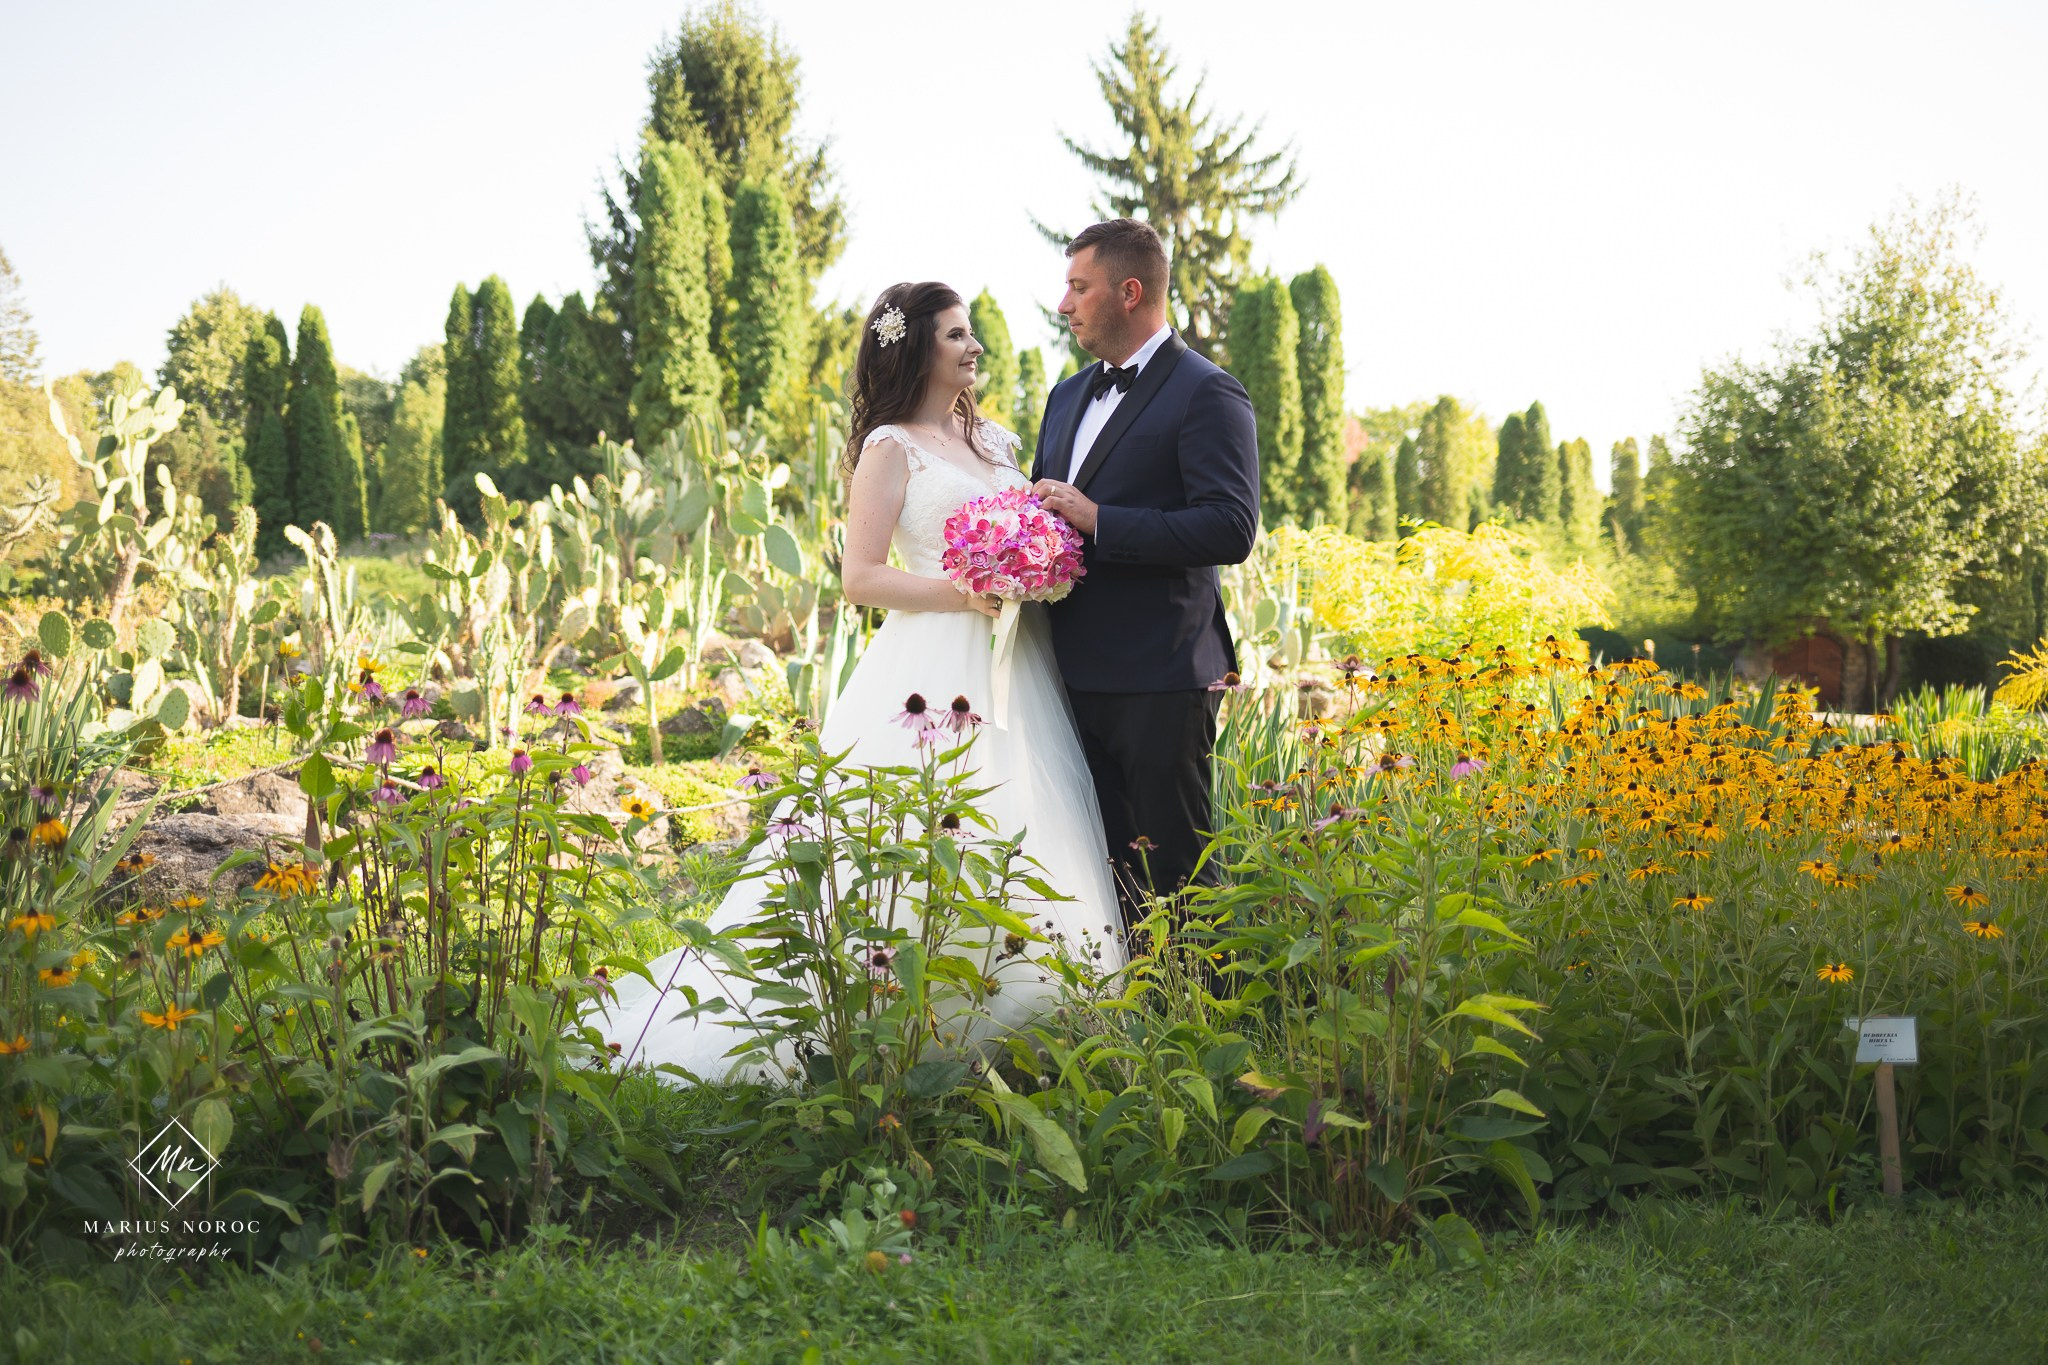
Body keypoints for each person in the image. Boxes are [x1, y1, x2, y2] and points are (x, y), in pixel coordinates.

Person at [597, 282, 1125, 1084]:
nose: (973, 347)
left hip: (1021, 658)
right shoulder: (890, 448)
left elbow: (1034, 532)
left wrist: (1039, 562)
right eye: (956, 335)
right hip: (933, 663)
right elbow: (861, 578)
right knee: (928, 825)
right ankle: (899, 1020)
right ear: (917, 350)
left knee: (1029, 810)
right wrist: (963, 589)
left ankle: (1041, 1012)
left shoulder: (1000, 442)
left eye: (971, 333)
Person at [1030, 218, 1262, 930]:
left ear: (1130, 292)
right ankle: (1135, 1025)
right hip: (1069, 676)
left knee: (1181, 876)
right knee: (1105, 876)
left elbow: (1231, 525)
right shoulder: (1065, 396)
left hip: (1162, 678)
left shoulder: (1208, 393)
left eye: (1079, 286)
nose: (1064, 304)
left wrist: (1103, 519)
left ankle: (1209, 1028)